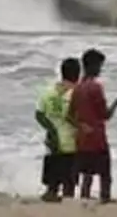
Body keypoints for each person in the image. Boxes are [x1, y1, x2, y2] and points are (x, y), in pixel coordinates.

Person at [69, 48, 117, 203]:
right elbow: (105, 115)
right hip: (97, 138)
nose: (100, 69)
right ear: (93, 65)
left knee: (87, 174)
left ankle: (84, 198)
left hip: (82, 140)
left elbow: (69, 115)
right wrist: (116, 103)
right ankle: (105, 198)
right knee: (105, 174)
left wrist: (81, 126)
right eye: (100, 65)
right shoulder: (96, 88)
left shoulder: (77, 88)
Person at [35, 58, 81, 202]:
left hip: (52, 144)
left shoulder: (49, 92)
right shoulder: (76, 94)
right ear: (78, 74)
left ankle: (51, 198)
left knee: (52, 183)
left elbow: (39, 115)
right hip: (71, 144)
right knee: (69, 184)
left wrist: (52, 129)